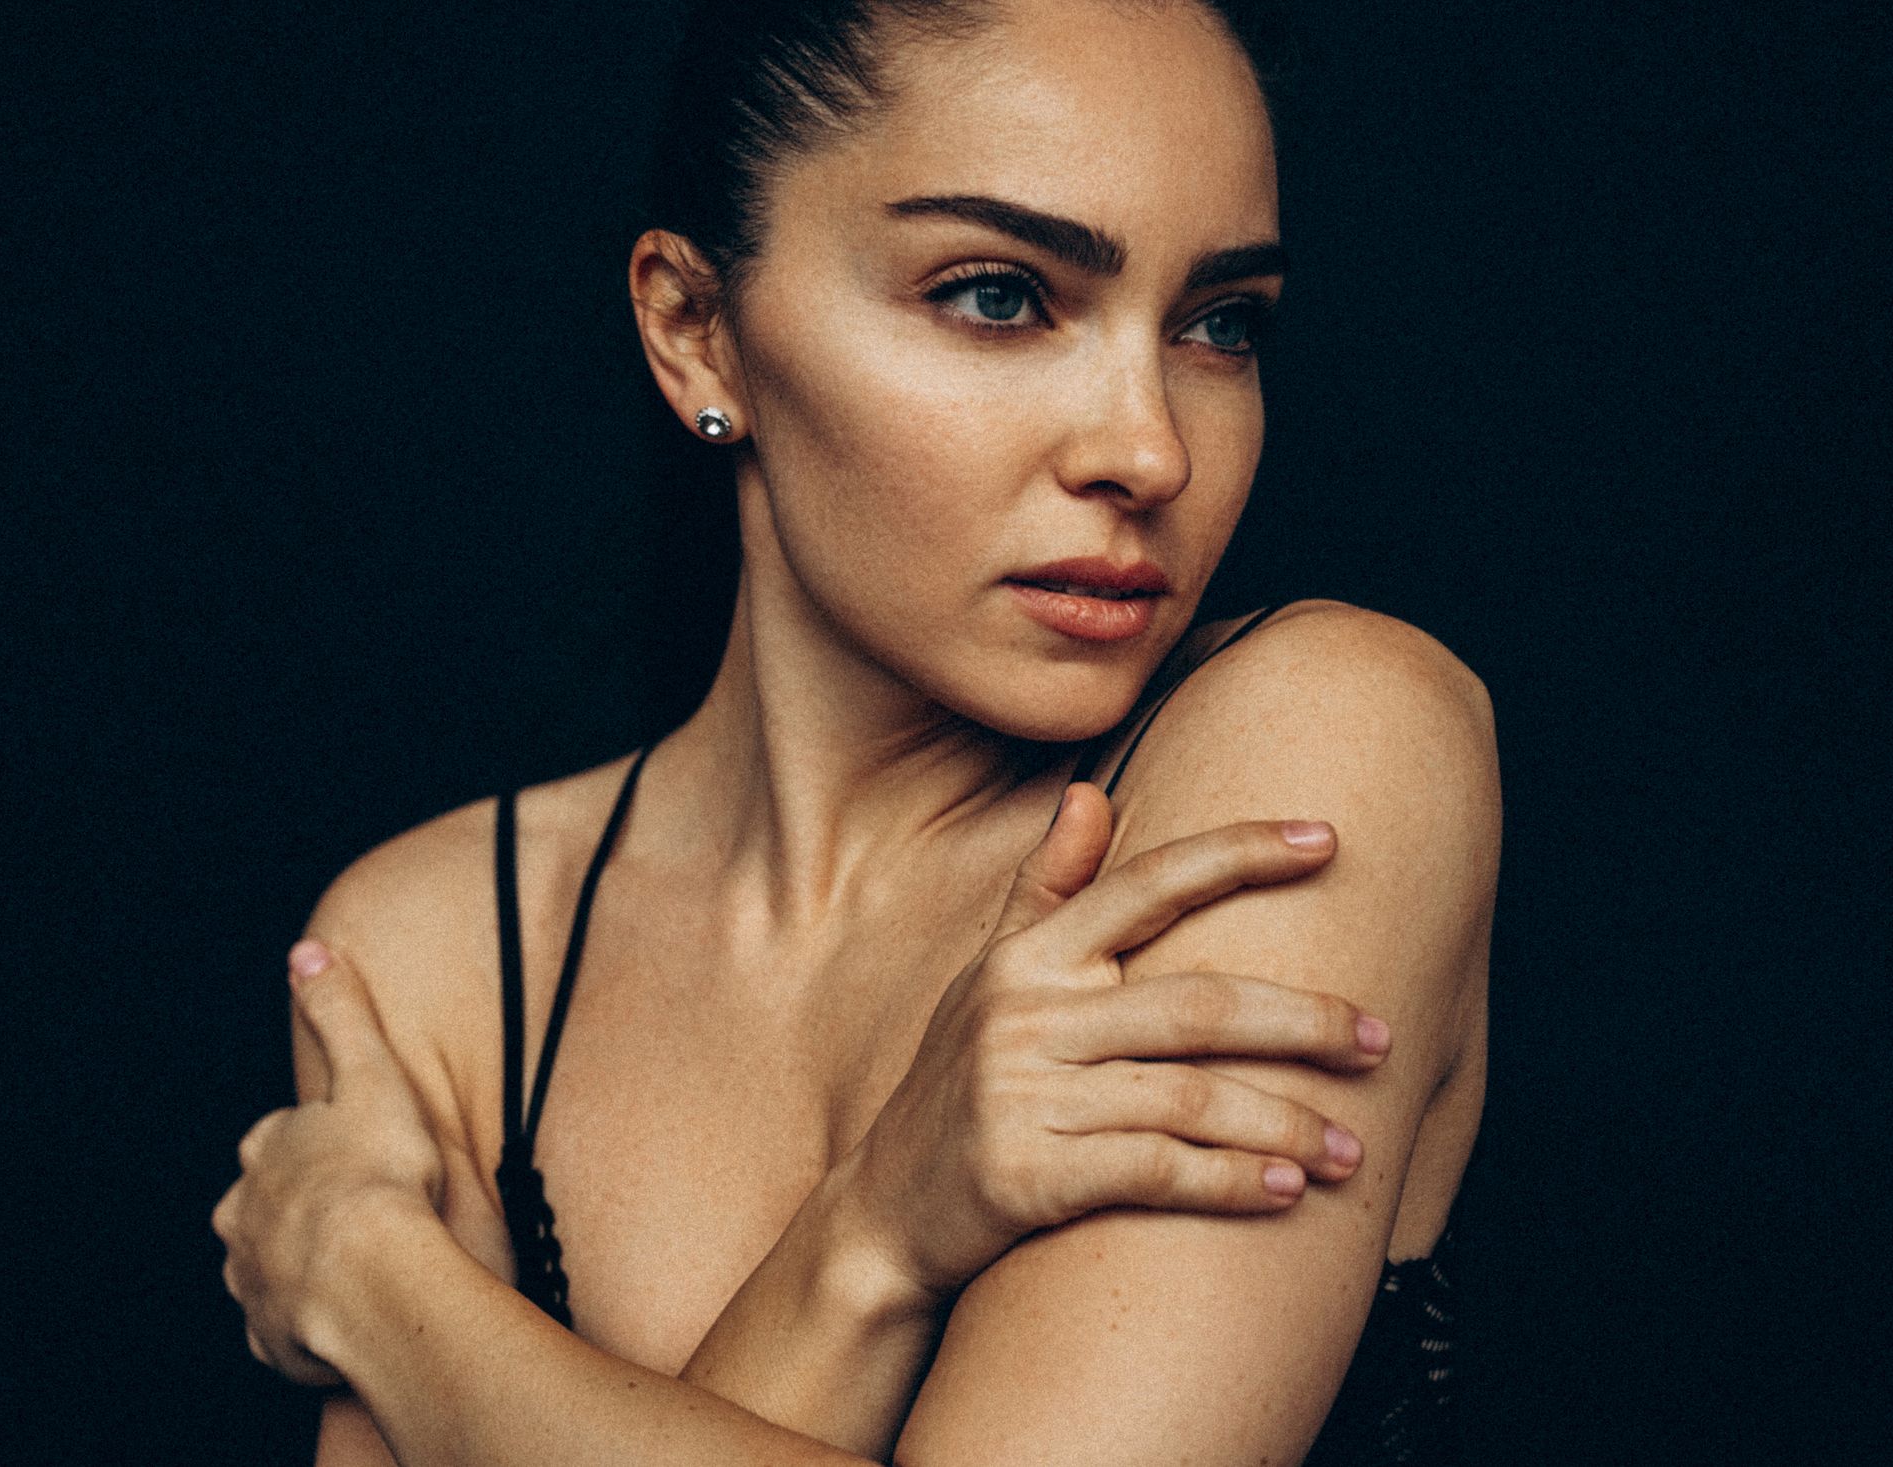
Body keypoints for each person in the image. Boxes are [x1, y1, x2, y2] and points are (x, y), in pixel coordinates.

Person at [213, 0, 1500, 1461]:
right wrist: (878, 1235)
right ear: (697, 334)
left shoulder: (1321, 745)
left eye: (1220, 325)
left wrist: (376, 1285)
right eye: (1001, 296)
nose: (1151, 448)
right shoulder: (441, 952)